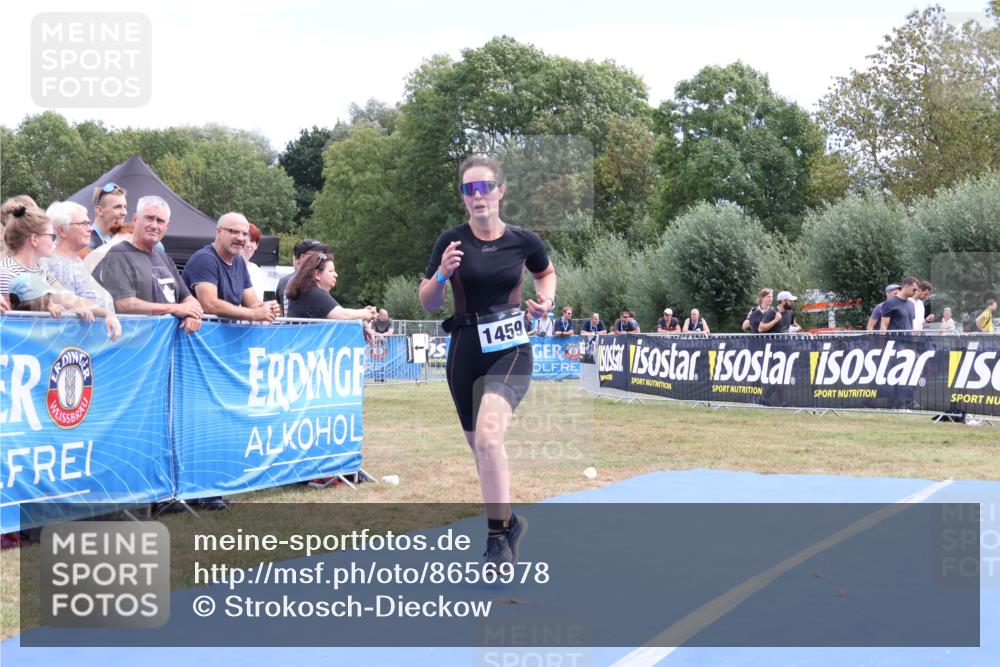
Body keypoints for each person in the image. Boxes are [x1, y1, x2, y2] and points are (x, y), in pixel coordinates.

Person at [418, 154, 555, 569]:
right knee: (481, 451)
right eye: (468, 189)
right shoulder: (451, 240)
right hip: (463, 350)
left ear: (500, 191)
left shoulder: (524, 240)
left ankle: (497, 541)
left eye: (484, 187)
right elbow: (427, 301)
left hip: (510, 347)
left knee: (490, 439)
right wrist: (441, 274)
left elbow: (545, 273)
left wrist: (546, 301)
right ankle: (509, 521)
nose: (477, 196)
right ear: (463, 197)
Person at [1, 204, 120, 339]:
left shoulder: (41, 270)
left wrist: (106, 314)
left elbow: (68, 298)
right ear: (34, 239)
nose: (55, 241)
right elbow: (8, 322)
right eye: (52, 236)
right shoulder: (7, 272)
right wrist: (49, 308)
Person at [93, 195, 204, 334]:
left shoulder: (165, 259)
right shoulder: (119, 254)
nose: (154, 225)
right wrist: (175, 309)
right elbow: (124, 304)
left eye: (160, 221)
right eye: (149, 218)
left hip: (164, 346)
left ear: (166, 226)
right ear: (135, 219)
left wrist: (191, 315)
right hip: (135, 345)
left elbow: (190, 300)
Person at [181, 212, 278, 322]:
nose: (241, 238)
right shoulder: (204, 259)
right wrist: (253, 314)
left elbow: (252, 303)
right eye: (234, 231)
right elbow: (209, 305)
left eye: (245, 234)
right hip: (200, 336)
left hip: (225, 336)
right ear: (218, 231)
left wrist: (267, 308)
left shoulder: (239, 261)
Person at [39, 201, 121, 331]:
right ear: (61, 231)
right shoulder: (55, 263)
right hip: (74, 345)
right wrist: (107, 314)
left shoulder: (75, 260)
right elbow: (66, 306)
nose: (90, 228)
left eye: (89, 223)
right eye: (83, 224)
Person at [285, 251, 376, 322]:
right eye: (331, 271)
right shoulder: (315, 294)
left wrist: (361, 315)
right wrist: (366, 313)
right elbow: (343, 315)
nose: (336, 275)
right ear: (317, 274)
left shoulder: (306, 292)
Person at [277, 238, 330, 316]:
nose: (322, 258)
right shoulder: (309, 282)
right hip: (307, 327)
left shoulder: (284, 281)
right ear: (302, 257)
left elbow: (281, 313)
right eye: (317, 255)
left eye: (322, 254)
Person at [89, 182, 128, 251]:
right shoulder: (86, 241)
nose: (124, 213)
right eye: (117, 207)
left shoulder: (117, 240)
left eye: (125, 207)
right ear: (99, 210)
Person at [242, 223, 268, 303]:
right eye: (245, 241)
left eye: (253, 241)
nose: (249, 245)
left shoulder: (257, 270)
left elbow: (259, 301)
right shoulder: (227, 266)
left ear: (257, 245)